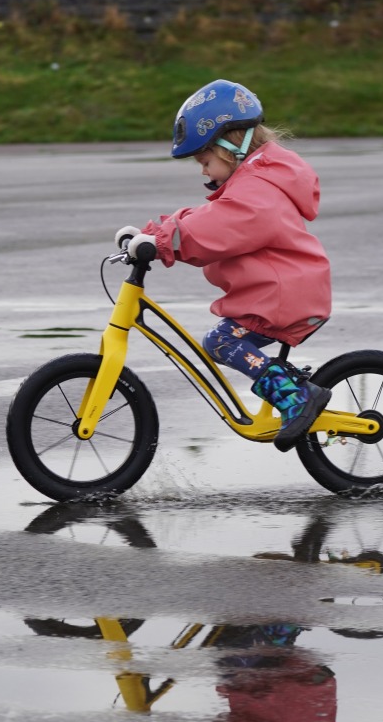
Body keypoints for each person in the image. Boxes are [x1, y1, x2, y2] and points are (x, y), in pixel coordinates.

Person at [116, 78, 332, 452]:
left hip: (282, 296)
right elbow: (207, 216)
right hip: (277, 292)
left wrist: (164, 243)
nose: (203, 170)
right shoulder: (252, 184)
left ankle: (296, 396)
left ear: (231, 146)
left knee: (220, 342)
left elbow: (215, 228)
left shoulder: (257, 192)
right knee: (224, 341)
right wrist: (153, 233)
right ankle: (291, 390)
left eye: (205, 160)